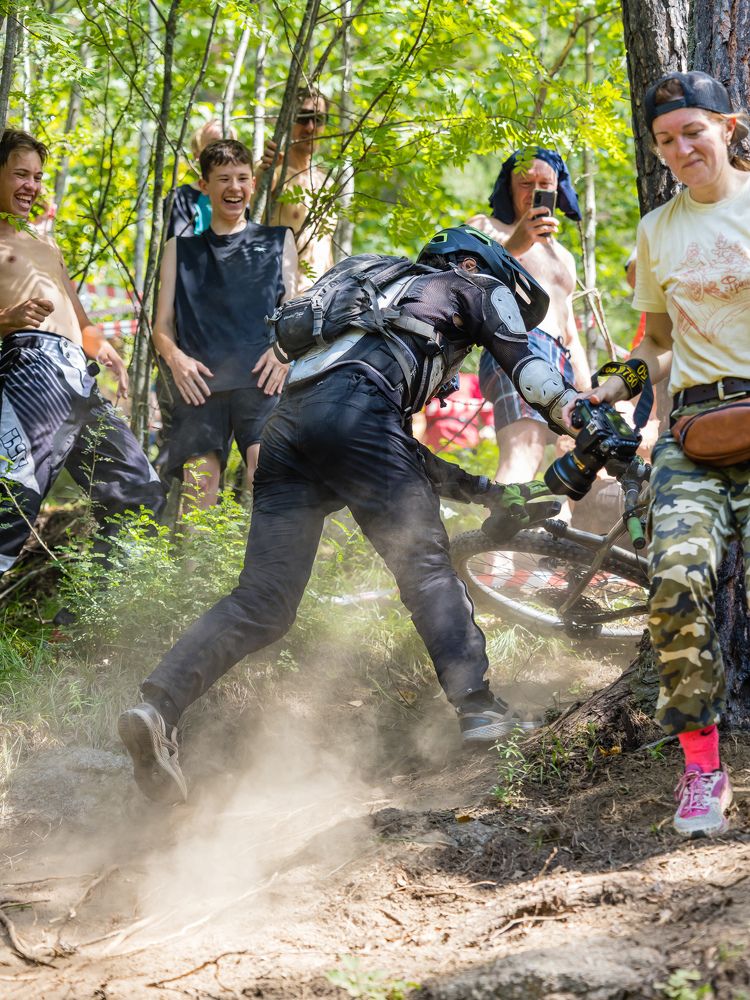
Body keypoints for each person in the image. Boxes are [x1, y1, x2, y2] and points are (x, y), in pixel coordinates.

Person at [118, 225, 579, 805]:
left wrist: (488, 491)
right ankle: (480, 708)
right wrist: (581, 415)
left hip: (285, 432)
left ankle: (158, 705)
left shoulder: (368, 298)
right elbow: (529, 371)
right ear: (473, 264)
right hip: (355, 419)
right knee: (425, 567)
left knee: (262, 602)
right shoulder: (472, 286)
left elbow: (388, 445)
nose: (459, 360)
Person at [570, 70, 750, 838]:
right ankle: (703, 772)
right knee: (674, 583)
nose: (680, 150)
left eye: (693, 132)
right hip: (696, 436)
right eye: (665, 140)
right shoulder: (656, 230)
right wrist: (608, 386)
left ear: (729, 127)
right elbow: (658, 345)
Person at [0, 128, 164, 579]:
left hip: (78, 377)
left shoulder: (45, 243)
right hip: (31, 369)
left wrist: (103, 348)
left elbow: (78, 315)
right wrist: (8, 318)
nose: (31, 186)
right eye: (20, 174)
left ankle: (91, 612)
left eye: (37, 177)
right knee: (11, 501)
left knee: (139, 491)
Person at [154, 138, 298, 508]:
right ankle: (199, 552)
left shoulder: (278, 240)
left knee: (266, 477)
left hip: (263, 379)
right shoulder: (179, 249)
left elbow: (294, 314)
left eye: (242, 178)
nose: (234, 188)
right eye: (223, 179)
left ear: (253, 183)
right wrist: (176, 360)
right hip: (199, 385)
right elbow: (162, 326)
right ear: (205, 186)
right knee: (199, 489)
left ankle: (265, 550)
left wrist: (283, 353)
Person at [466, 148, 591, 485]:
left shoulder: (563, 256)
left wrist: (587, 391)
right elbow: (461, 280)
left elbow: (570, 332)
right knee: (525, 448)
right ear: (508, 187)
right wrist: (515, 244)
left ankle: (532, 523)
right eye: (525, 183)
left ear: (557, 190)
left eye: (544, 184)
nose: (535, 191)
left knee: (572, 465)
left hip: (561, 358)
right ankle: (500, 520)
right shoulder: (485, 227)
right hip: (516, 343)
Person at [254, 87, 335, 290]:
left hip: (324, 299)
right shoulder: (274, 172)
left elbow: (325, 250)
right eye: (303, 118)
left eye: (318, 119)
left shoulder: (326, 182)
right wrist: (264, 171)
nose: (310, 127)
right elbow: (251, 208)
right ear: (288, 120)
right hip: (283, 299)